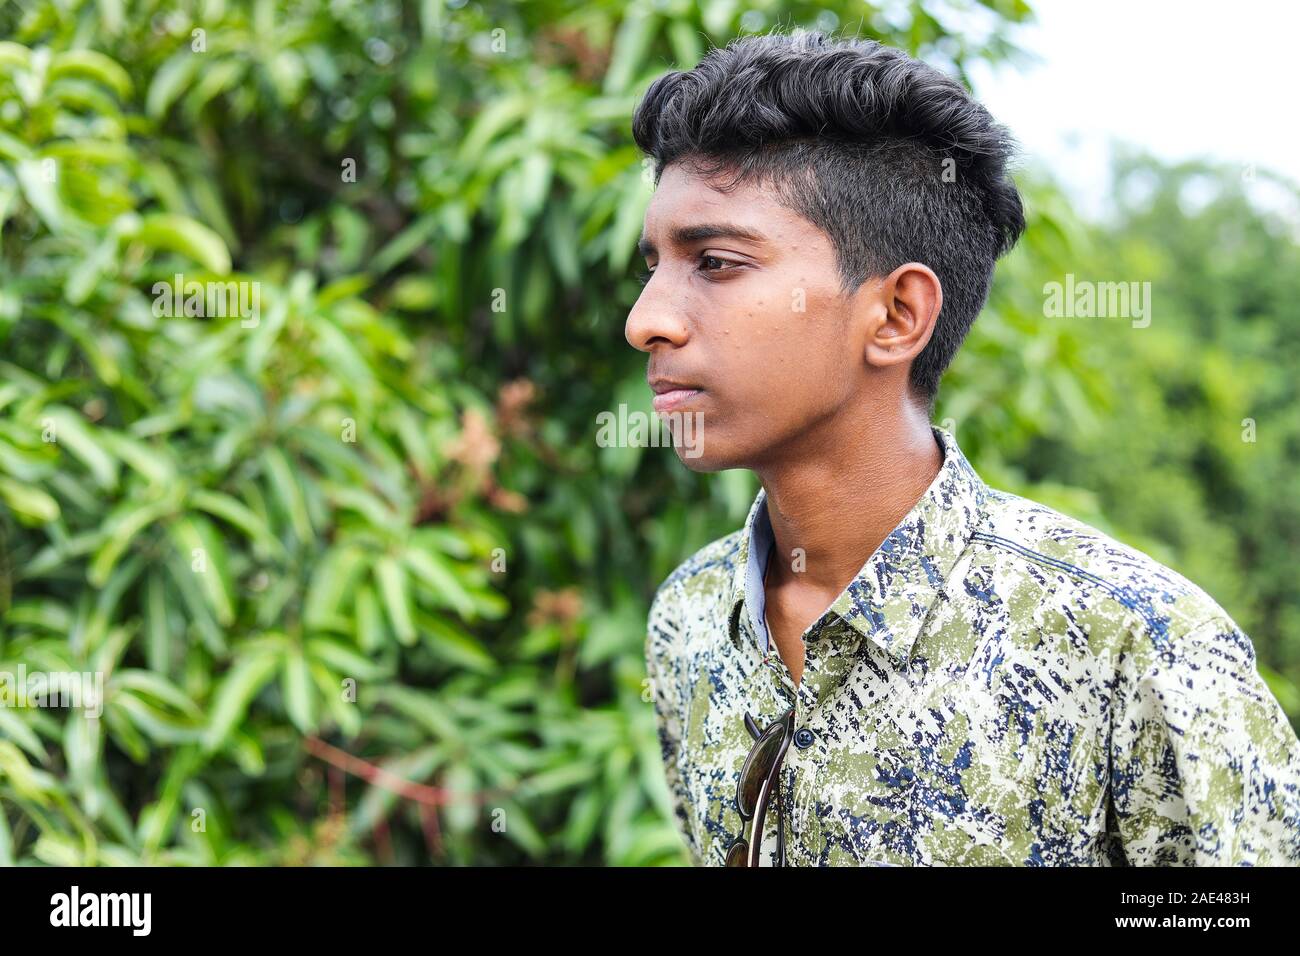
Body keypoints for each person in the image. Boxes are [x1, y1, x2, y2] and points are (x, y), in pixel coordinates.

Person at [626, 28, 1300, 866]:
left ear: (898, 315)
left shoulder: (1134, 647)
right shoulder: (693, 621)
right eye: (651, 265)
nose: (646, 318)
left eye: (716, 262)